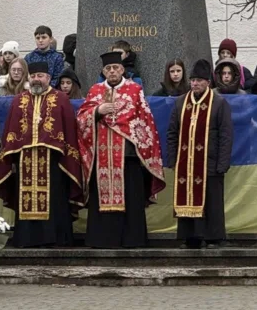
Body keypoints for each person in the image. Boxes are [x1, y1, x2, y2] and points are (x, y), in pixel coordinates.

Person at [77, 52, 165, 248]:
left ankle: (132, 239)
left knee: (131, 197)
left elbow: (145, 120)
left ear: (122, 69)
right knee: (101, 198)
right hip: (101, 155)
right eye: (108, 69)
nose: (112, 71)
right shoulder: (95, 90)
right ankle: (102, 239)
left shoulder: (134, 90)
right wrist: (97, 112)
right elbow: (82, 119)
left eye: (115, 68)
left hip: (128, 155)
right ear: (103, 71)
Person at [0, 64, 85, 247]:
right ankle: (27, 238)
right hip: (24, 158)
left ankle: (55, 238)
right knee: (25, 198)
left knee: (55, 198)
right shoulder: (19, 100)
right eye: (33, 75)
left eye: (41, 75)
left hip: (54, 160)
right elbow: (11, 131)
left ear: (48, 78)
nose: (37, 79)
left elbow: (68, 131)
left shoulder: (60, 99)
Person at [166, 59, 234, 248]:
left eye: (199, 80)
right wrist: (173, 159)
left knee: (211, 201)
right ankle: (190, 237)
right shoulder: (181, 103)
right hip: (185, 163)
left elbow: (226, 135)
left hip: (210, 162)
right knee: (186, 197)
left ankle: (213, 237)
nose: (195, 84)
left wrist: (222, 163)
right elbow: (172, 132)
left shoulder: (219, 104)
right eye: (193, 80)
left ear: (208, 83)